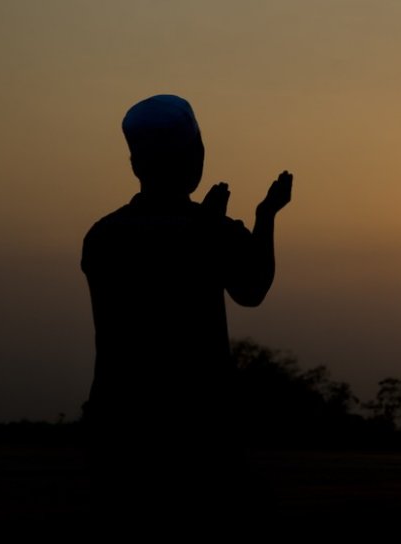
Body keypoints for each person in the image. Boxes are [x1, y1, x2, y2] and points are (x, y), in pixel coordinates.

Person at [80, 94, 292, 525]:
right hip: (198, 432)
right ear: (195, 157)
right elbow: (252, 289)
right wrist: (264, 217)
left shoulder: (104, 236)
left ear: (136, 166)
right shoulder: (210, 230)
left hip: (118, 428)